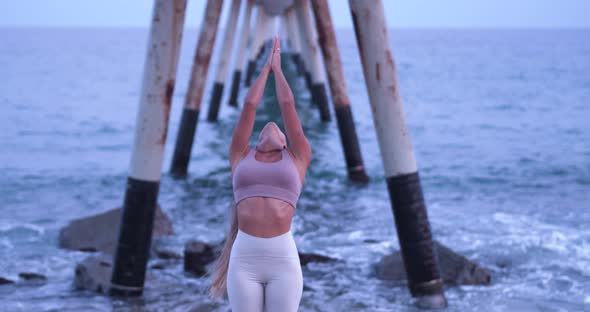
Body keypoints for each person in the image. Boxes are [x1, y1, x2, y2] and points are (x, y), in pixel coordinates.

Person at [207, 36, 312, 312]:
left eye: (279, 128)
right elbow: (249, 107)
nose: (272, 124)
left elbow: (288, 106)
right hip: (244, 260)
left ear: (286, 141)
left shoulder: (297, 157)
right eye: (267, 126)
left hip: (283, 262)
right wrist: (264, 70)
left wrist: (279, 71)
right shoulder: (241, 155)